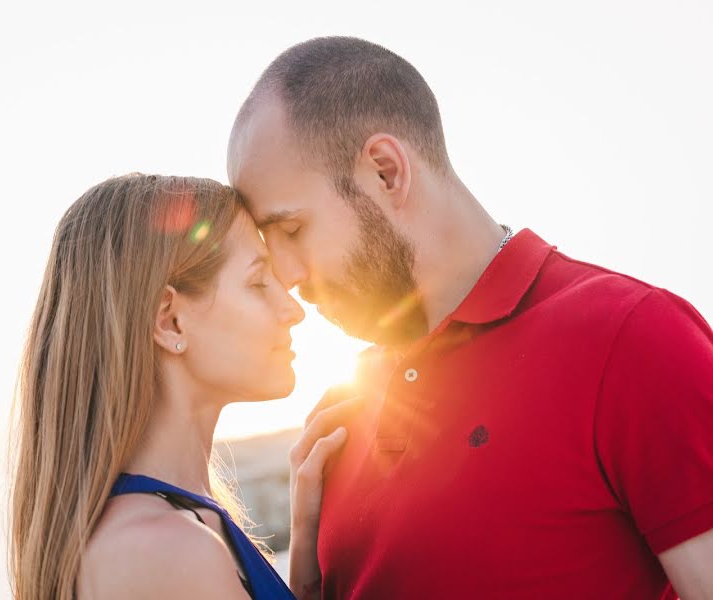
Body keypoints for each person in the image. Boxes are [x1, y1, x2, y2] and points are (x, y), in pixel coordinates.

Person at [227, 36, 713, 599]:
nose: (284, 273)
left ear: (386, 172)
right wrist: (306, 579)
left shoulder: (634, 336)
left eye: (291, 230)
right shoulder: (337, 415)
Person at [8, 174, 345, 599]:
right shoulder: (169, 550)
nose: (292, 309)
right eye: (259, 282)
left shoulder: (175, 528)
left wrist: (304, 549)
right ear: (170, 321)